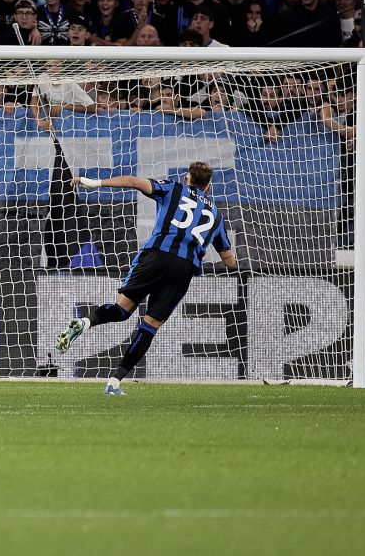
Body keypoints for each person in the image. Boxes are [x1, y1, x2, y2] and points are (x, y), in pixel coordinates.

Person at [55, 162, 238, 395]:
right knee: (149, 326)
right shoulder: (216, 215)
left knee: (122, 310)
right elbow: (229, 260)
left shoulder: (173, 189)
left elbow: (132, 181)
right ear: (209, 187)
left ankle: (85, 322)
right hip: (184, 268)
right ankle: (114, 383)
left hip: (156, 256)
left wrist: (93, 182)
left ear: (186, 179)